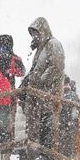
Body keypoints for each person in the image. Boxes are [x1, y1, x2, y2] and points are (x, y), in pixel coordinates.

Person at [21, 17, 65, 148]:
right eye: (33, 33)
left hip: (49, 94)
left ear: (43, 31)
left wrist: (39, 80)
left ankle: (46, 158)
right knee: (37, 127)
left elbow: (56, 67)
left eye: (36, 33)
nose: (34, 36)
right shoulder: (41, 48)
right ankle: (36, 155)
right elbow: (37, 68)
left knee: (47, 127)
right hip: (38, 97)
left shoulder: (53, 44)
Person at [59, 76, 80, 155]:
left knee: (62, 139)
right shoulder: (73, 95)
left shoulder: (63, 93)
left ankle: (62, 155)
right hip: (70, 121)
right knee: (70, 139)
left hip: (63, 120)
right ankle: (68, 155)